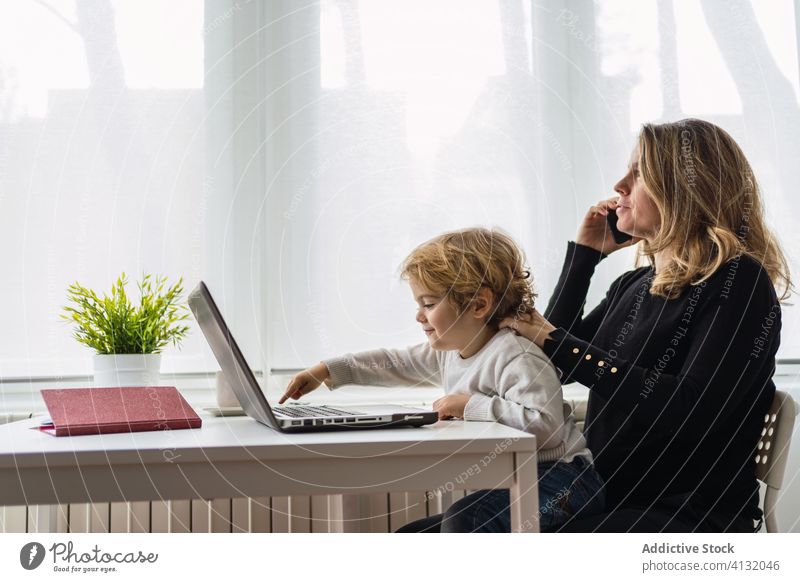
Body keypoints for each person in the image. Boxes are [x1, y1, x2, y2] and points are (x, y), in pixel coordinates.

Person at [499, 118, 792, 532]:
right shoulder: (634, 286)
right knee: (429, 534)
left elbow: (690, 408)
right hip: (603, 497)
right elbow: (550, 366)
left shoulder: (738, 282)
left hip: (685, 517)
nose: (619, 185)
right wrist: (584, 257)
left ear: (685, 189)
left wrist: (553, 339)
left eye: (638, 174)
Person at [279, 227, 605, 532]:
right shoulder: (452, 350)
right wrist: (326, 370)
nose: (419, 315)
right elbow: (395, 363)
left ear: (479, 304)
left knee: (467, 519)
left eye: (429, 303)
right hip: (520, 476)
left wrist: (470, 406)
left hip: (566, 479)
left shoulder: (516, 355)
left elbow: (545, 427)